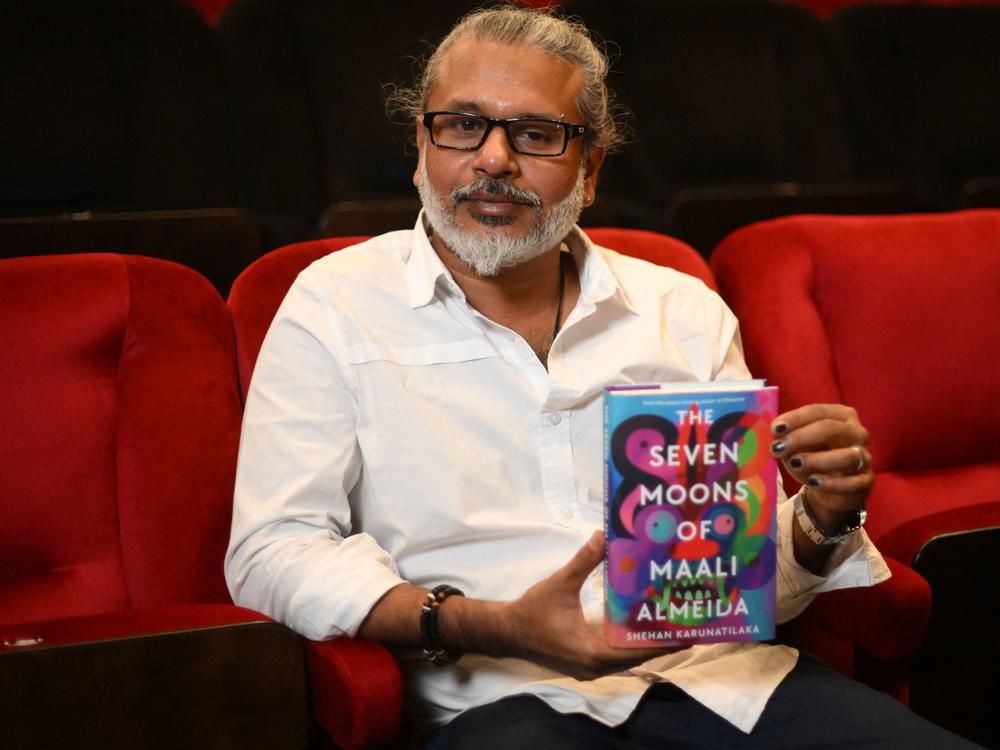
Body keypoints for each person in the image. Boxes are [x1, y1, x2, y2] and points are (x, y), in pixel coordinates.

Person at [225, 5, 979, 748]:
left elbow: (731, 580)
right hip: (504, 704)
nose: (493, 159)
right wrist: (481, 622)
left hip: (735, 687)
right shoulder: (334, 302)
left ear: (590, 172)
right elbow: (273, 552)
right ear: (420, 147)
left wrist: (821, 518)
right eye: (461, 125)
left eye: (535, 134)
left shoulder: (679, 308)